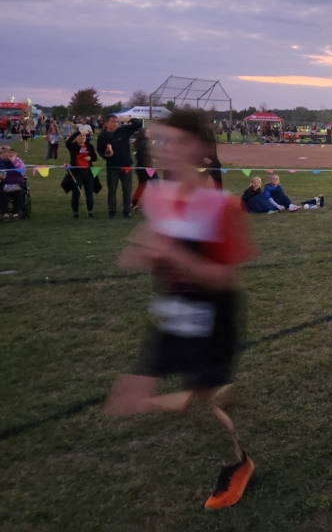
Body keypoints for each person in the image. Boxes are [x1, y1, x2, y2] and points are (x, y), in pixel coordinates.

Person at [104, 109, 258, 510]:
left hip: (213, 315)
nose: (161, 149)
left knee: (190, 408)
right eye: (158, 141)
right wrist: (140, 251)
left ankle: (237, 463)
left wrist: (171, 252)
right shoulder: (155, 195)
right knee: (133, 399)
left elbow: (223, 278)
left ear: (199, 150)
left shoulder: (221, 206)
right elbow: (141, 247)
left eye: (172, 141)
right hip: (171, 311)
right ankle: (217, 394)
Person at [97, 114, 143, 219]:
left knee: (127, 189)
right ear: (106, 123)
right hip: (112, 166)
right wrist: (106, 155)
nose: (115, 124)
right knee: (112, 190)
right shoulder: (102, 136)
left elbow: (139, 124)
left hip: (126, 165)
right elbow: (99, 150)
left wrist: (130, 119)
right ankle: (112, 211)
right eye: (113, 122)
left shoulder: (123, 131)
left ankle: (126, 210)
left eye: (116, 122)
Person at [65, 131, 97, 218]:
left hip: (88, 173)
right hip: (76, 173)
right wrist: (78, 132)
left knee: (89, 193)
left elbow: (95, 158)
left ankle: (90, 211)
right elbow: (68, 142)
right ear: (76, 137)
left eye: (84, 136)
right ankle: (75, 212)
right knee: (76, 193)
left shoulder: (89, 146)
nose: (82, 137)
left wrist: (90, 157)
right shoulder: (73, 146)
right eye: (80, 136)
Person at [0, 145, 27, 221]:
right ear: (0, 154)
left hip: (16, 183)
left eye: (8, 152)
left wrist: (13, 161)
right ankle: (5, 214)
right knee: (2, 193)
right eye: (4, 152)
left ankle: (16, 213)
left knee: (18, 192)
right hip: (3, 184)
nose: (7, 154)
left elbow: (23, 170)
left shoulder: (17, 160)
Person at [131, 128, 155, 210]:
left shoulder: (140, 142)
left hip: (141, 166)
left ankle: (133, 203)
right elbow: (147, 154)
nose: (150, 133)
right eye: (148, 132)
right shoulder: (145, 142)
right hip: (147, 167)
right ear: (144, 133)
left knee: (142, 186)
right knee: (156, 185)